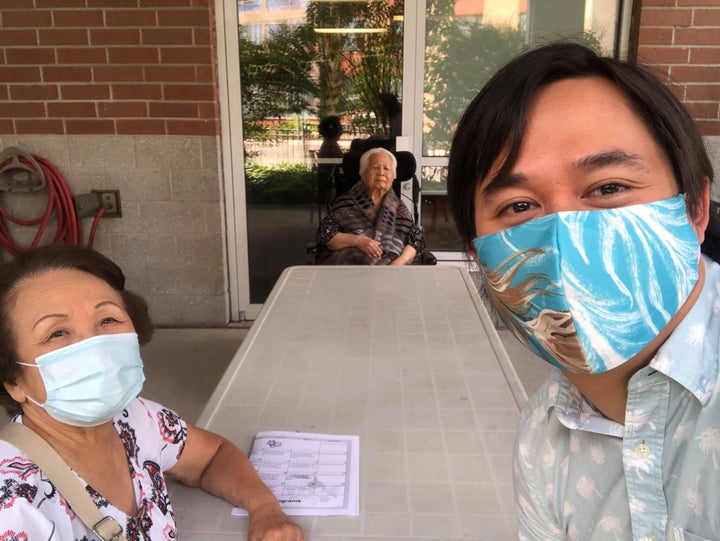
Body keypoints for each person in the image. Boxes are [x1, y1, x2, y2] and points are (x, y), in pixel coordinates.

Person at [447, 42, 718, 541]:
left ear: (695, 209)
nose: (564, 234)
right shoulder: (542, 439)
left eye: (608, 188)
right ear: (480, 258)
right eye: (520, 206)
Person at [0, 244, 304, 540]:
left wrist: (264, 509)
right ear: (14, 380)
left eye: (107, 319)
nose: (96, 347)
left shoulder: (136, 419)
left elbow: (211, 457)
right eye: (56, 333)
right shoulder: (14, 505)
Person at [316, 147, 424, 265]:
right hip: (351, 270)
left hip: (394, 271)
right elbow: (326, 235)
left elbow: (415, 240)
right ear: (363, 173)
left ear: (393, 176)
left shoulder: (400, 208)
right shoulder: (345, 203)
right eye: (375, 167)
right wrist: (359, 241)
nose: (381, 172)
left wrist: (400, 261)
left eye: (387, 168)